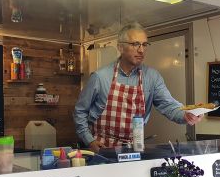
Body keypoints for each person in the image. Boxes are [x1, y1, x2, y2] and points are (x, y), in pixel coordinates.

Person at [73, 22, 202, 153]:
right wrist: (89, 140)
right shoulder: (100, 77)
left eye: (144, 44)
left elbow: (168, 105)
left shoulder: (152, 77)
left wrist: (186, 115)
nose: (141, 50)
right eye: (135, 44)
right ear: (120, 47)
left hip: (134, 150)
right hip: (102, 150)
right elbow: (80, 111)